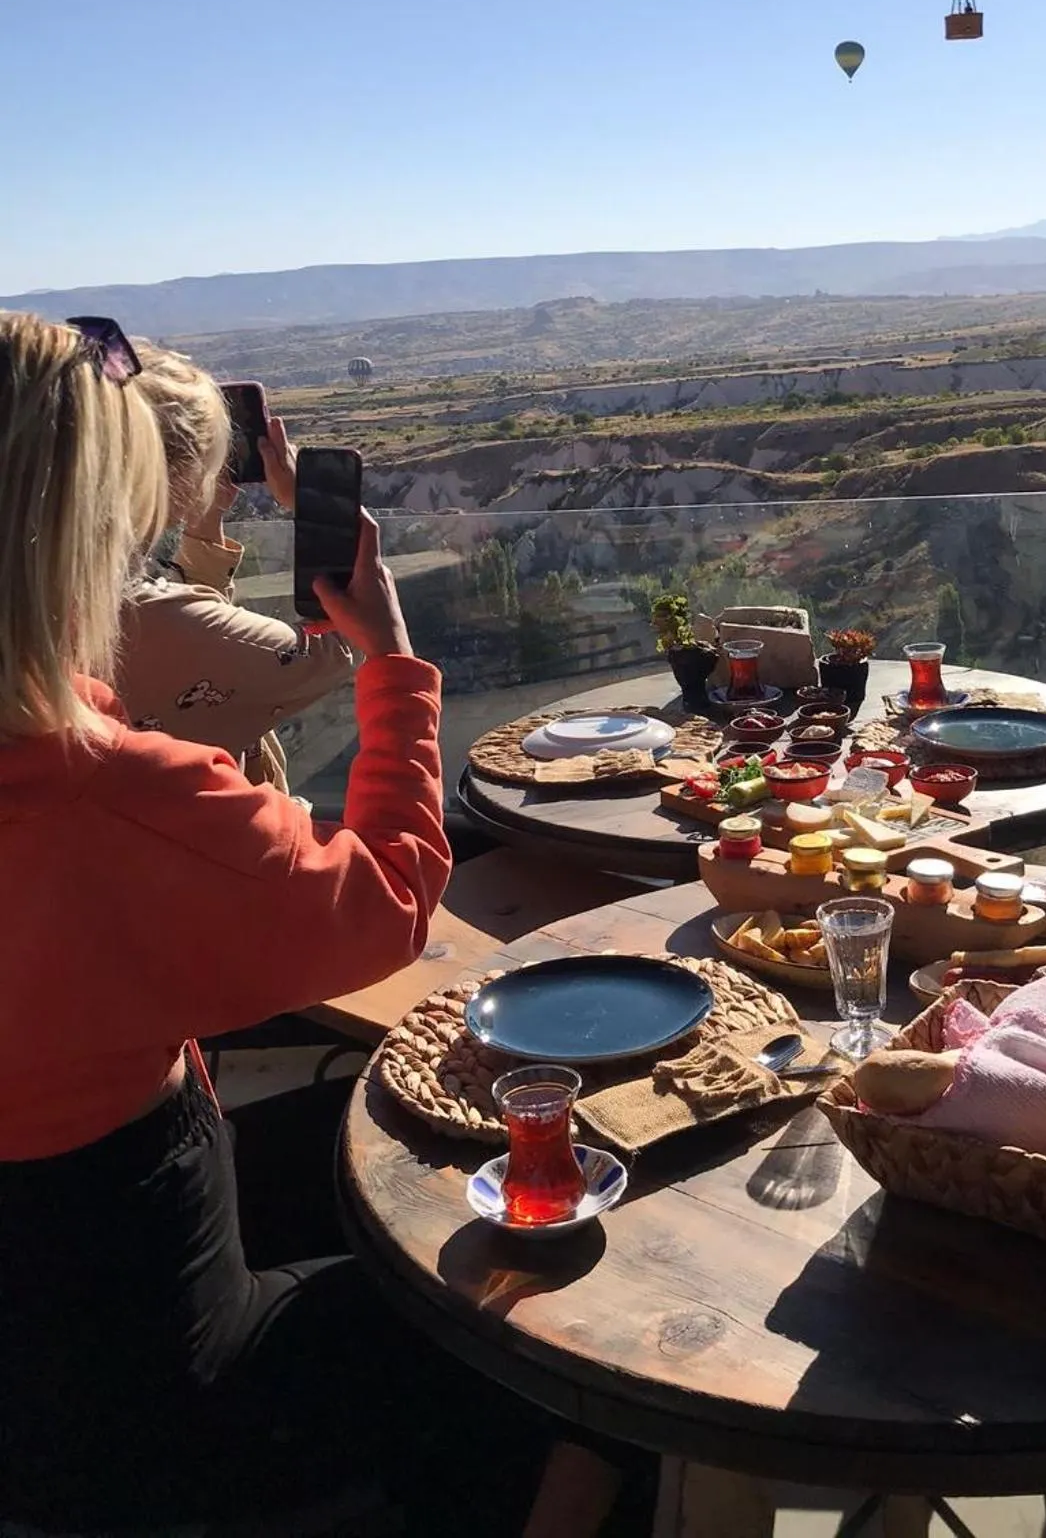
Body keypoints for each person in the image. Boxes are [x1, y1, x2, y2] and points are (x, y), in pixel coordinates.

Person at [0, 312, 638, 1535]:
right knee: (570, 1314)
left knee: (370, 1132)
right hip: (155, 1407)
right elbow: (389, 901)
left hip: (37, 1360)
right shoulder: (113, 791)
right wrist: (392, 663)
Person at [118, 342, 353, 790]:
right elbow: (343, 645)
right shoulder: (149, 620)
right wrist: (318, 507)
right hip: (226, 848)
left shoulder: (48, 609)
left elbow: (193, 634)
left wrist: (207, 527)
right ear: (177, 476)